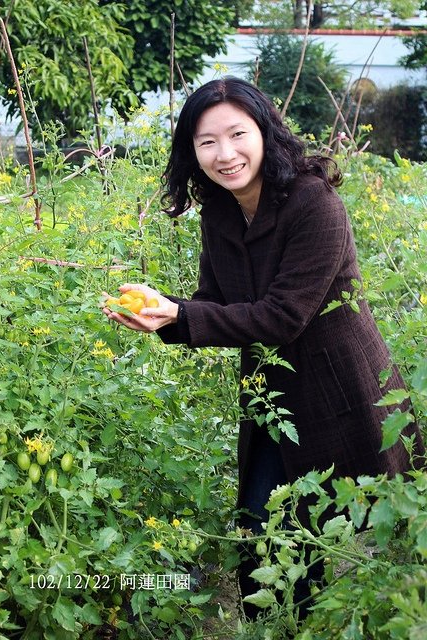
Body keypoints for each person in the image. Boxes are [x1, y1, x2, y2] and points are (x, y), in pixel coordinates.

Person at [102, 77, 425, 617]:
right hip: (272, 396)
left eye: (237, 134)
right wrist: (163, 317)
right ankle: (275, 626)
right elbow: (215, 302)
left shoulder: (313, 202)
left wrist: (184, 315)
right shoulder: (221, 212)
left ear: (265, 132)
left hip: (340, 386)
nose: (224, 154)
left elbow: (283, 315)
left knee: (371, 528)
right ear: (192, 151)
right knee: (261, 531)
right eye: (207, 141)